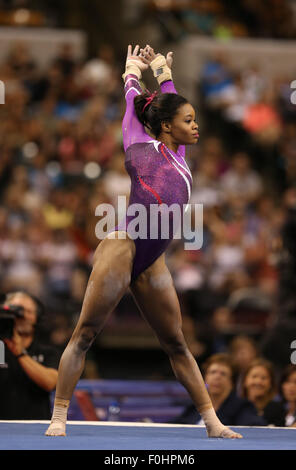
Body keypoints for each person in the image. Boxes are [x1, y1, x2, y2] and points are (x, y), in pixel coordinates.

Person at [45, 44, 242, 439]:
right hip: (125, 245)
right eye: (189, 120)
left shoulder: (181, 153)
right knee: (84, 334)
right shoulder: (138, 141)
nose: (195, 125)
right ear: (168, 125)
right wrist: (132, 73)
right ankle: (59, 416)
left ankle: (213, 423)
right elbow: (136, 99)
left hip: (153, 259)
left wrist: (162, 69)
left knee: (177, 344)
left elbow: (171, 100)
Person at [0, 290, 59, 419]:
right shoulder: (0, 349)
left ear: (37, 317)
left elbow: (50, 383)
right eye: (16, 311)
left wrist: (20, 354)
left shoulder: (47, 351)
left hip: (35, 431)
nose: (23, 316)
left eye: (29, 312)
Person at [171, 353, 265, 426]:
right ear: (205, 378)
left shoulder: (242, 407)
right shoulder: (195, 406)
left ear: (232, 383)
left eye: (223, 374)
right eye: (213, 372)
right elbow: (173, 425)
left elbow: (255, 427)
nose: (217, 377)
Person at [239, 358, 285, 426]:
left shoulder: (278, 410)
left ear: (271, 384)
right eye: (254, 377)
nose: (258, 382)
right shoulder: (237, 408)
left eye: (263, 378)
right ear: (245, 381)